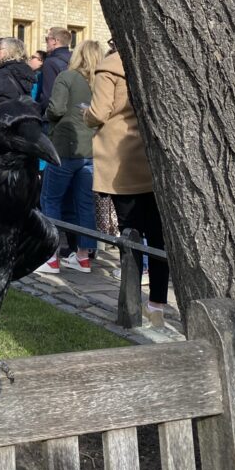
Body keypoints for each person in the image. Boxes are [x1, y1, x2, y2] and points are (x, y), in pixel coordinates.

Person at [84, 48, 169, 326]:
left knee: (129, 233)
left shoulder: (109, 68)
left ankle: (131, 307)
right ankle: (157, 305)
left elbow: (99, 112)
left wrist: (86, 115)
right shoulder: (150, 59)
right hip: (150, 157)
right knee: (157, 236)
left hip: (121, 161)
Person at [35, 40, 103, 274]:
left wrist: (46, 114)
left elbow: (56, 108)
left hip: (65, 146)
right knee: (85, 204)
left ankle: (50, 257)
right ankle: (84, 257)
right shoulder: (100, 81)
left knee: (50, 200)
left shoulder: (67, 76)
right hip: (91, 150)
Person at [38, 27, 72, 114]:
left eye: (47, 39)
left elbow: (48, 96)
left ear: (55, 41)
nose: (46, 43)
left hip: (55, 115)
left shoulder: (50, 62)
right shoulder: (75, 58)